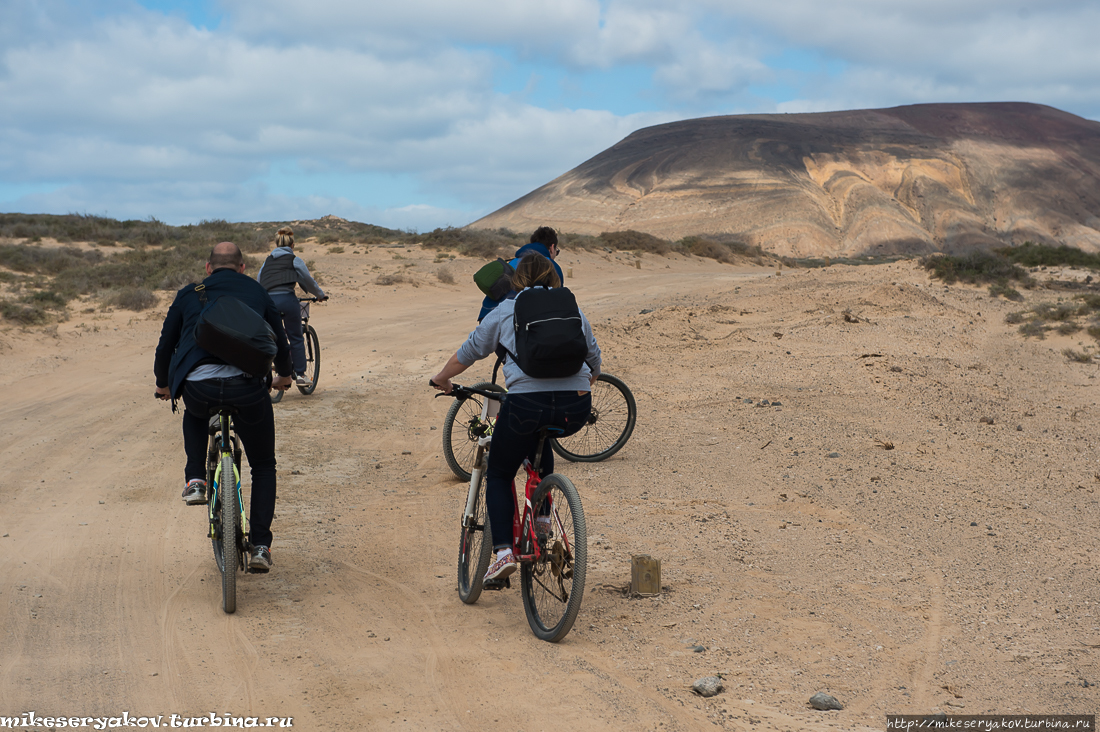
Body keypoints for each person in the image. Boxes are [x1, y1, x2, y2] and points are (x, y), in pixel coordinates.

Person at [433, 253, 601, 582]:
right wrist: (581, 385)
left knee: (498, 472)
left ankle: (503, 553)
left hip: (526, 406)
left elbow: (469, 352)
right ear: (553, 277)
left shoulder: (506, 310)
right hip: (575, 408)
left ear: (516, 279)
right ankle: (541, 526)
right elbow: (593, 357)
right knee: (542, 448)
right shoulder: (572, 308)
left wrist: (442, 378)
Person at [154, 242, 293, 572]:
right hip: (247, 389)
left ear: (208, 268)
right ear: (243, 268)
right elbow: (280, 339)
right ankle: (260, 545)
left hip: (199, 389)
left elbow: (166, 342)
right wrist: (284, 376)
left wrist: (163, 383)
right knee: (263, 465)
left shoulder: (190, 293)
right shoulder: (258, 292)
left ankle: (195, 480)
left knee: (194, 412)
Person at [257, 226, 328, 385]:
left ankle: (267, 375)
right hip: (288, 301)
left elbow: (259, 281)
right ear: (292, 245)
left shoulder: (266, 262)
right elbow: (308, 281)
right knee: (295, 337)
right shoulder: (294, 259)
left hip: (268, 303)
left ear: (276, 244)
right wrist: (320, 295)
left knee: (270, 337)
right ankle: (301, 376)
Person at [477, 226, 564, 322]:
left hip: (487, 314)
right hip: (510, 319)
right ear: (552, 248)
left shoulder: (512, 262)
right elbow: (558, 301)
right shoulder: (551, 266)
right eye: (557, 252)